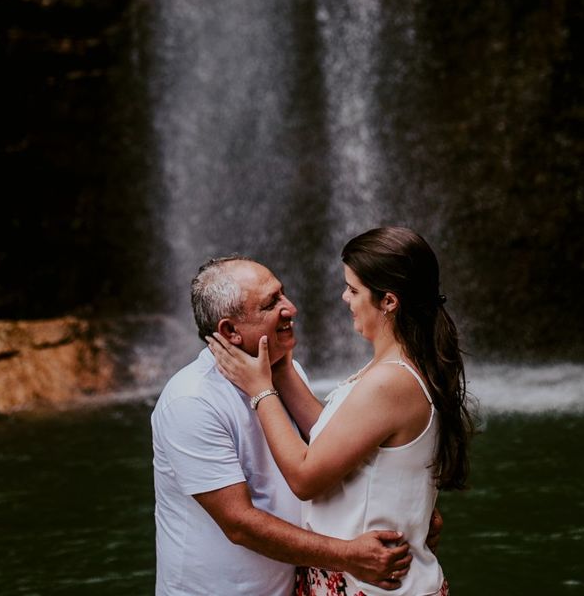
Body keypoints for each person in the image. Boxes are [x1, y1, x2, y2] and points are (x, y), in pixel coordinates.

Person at [209, 227, 471, 596]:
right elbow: (335, 438)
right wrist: (282, 370)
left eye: (353, 289)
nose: (344, 297)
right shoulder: (398, 366)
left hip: (372, 586)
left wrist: (260, 390)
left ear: (389, 302)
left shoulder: (389, 382)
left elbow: (305, 477)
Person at [153, 255, 415, 596]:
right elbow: (239, 524)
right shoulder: (191, 400)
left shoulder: (287, 373)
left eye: (283, 294)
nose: (290, 308)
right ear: (230, 331)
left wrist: (410, 511)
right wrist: (349, 556)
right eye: (270, 304)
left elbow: (340, 458)